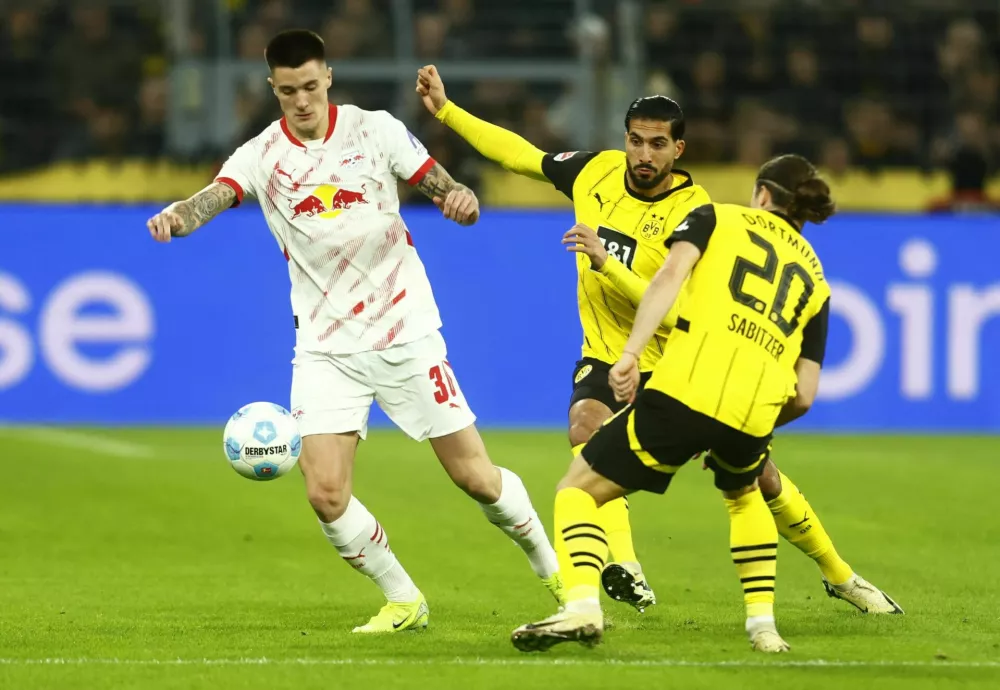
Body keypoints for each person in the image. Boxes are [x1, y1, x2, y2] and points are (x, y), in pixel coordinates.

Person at [417, 65, 902, 618]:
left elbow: (672, 302)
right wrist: (448, 111)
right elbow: (520, 156)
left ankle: (840, 575)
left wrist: (605, 261)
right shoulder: (594, 173)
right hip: (608, 355)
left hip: (678, 364)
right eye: (635, 141)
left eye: (656, 144)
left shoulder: (696, 212)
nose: (643, 155)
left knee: (759, 477)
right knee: (585, 428)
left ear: (678, 149)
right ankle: (626, 565)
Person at [146, 30, 563, 634]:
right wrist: (177, 217)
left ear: (329, 78)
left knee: (475, 477)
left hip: (405, 330)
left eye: (311, 87)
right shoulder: (261, 154)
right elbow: (214, 196)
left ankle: (553, 570)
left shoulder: (376, 129)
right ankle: (404, 599)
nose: (302, 101)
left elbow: (437, 180)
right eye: (288, 91)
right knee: (325, 493)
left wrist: (459, 197)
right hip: (325, 348)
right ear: (273, 88)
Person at [510, 155, 899, 654]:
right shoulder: (818, 280)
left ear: (761, 193)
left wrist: (630, 354)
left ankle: (583, 607)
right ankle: (765, 628)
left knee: (577, 491)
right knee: (746, 490)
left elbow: (668, 280)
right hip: (755, 404)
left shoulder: (717, 215)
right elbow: (804, 393)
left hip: (685, 386)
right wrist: (761, 421)